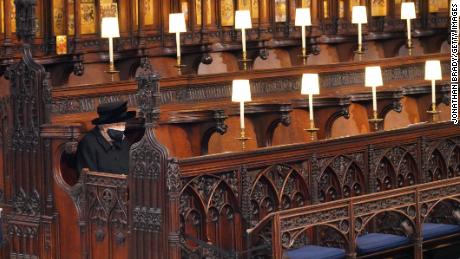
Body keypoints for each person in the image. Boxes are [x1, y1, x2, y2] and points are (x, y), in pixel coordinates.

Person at [76, 101, 135, 175]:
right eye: (117, 125)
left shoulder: (125, 141)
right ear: (103, 126)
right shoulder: (88, 144)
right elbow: (89, 180)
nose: (122, 129)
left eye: (123, 124)